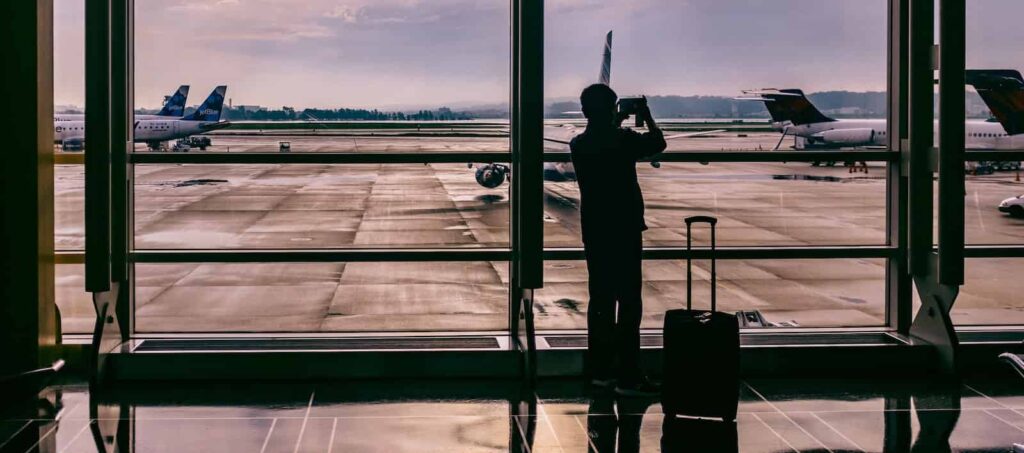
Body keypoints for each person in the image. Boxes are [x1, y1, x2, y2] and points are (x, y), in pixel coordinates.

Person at [570, 83, 666, 396]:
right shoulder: (623, 139)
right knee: (628, 303)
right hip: (624, 229)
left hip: (595, 230)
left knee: (600, 301)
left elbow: (603, 136)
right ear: (612, 109)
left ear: (584, 111)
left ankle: (600, 373)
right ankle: (629, 375)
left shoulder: (578, 144)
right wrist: (646, 115)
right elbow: (657, 143)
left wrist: (615, 118)